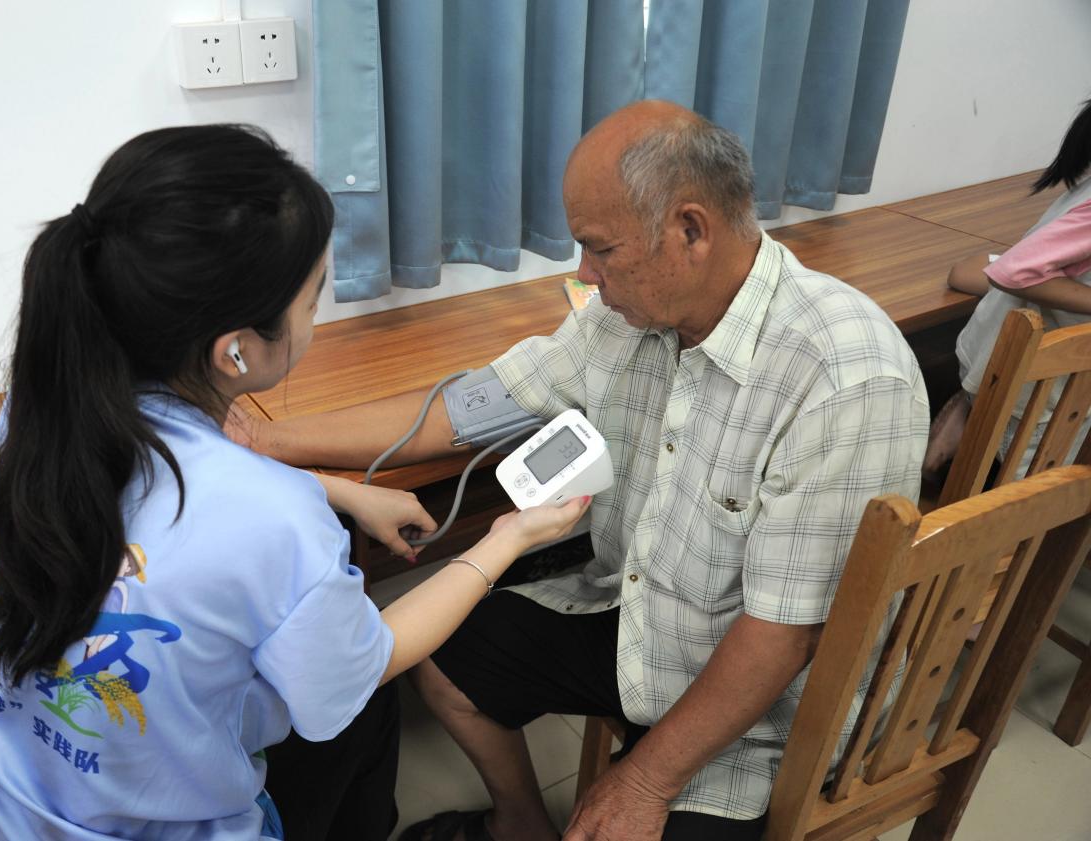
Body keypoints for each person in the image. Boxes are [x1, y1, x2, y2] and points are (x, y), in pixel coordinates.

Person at [241, 100, 928, 841]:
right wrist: (271, 439)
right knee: (441, 659)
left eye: (600, 249)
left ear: (691, 231)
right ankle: (520, 822)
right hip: (645, 624)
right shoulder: (627, 317)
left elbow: (784, 635)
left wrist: (644, 779)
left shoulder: (844, 377)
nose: (585, 275)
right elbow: (470, 406)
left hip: (769, 706)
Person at [0, 124, 589, 841]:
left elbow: (195, 507)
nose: (317, 316)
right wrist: (509, 537)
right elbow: (365, 661)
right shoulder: (270, 518)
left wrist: (336, 490)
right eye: (314, 300)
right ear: (235, 350)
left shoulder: (40, 402)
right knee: (359, 701)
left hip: (0, 806)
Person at [924, 96, 1091, 482]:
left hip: (1009, 365)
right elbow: (1015, 271)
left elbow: (1007, 267)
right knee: (1023, 492)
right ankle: (969, 419)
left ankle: (967, 412)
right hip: (1034, 386)